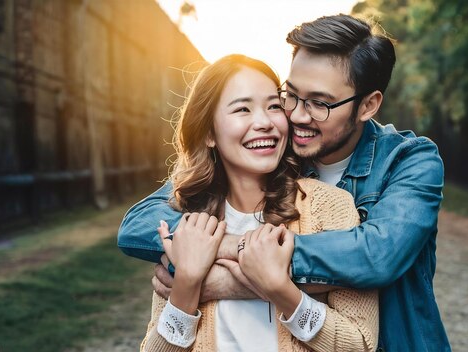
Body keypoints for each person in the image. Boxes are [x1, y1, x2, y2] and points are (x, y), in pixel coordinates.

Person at [119, 14, 450, 351]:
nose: (297, 115)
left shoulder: (410, 161)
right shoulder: (272, 153)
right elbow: (140, 224)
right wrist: (202, 258)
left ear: (368, 105)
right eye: (289, 95)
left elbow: (376, 257)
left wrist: (222, 271)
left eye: (319, 103)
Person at [126, 54, 379, 351]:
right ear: (209, 133)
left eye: (274, 106)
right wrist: (186, 286)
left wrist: (281, 291)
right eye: (242, 109)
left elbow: (360, 344)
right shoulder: (190, 223)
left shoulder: (328, 206)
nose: (264, 122)